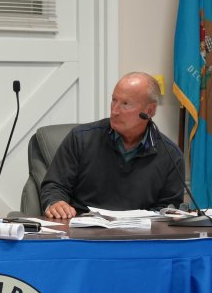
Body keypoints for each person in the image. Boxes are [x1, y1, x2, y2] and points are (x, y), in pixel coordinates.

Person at [41, 72, 184, 219]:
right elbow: (55, 186)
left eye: (125, 104)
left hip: (137, 237)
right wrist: (55, 202)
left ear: (149, 110)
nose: (114, 110)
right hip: (83, 231)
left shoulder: (171, 155)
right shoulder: (81, 138)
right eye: (113, 100)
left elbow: (167, 209)